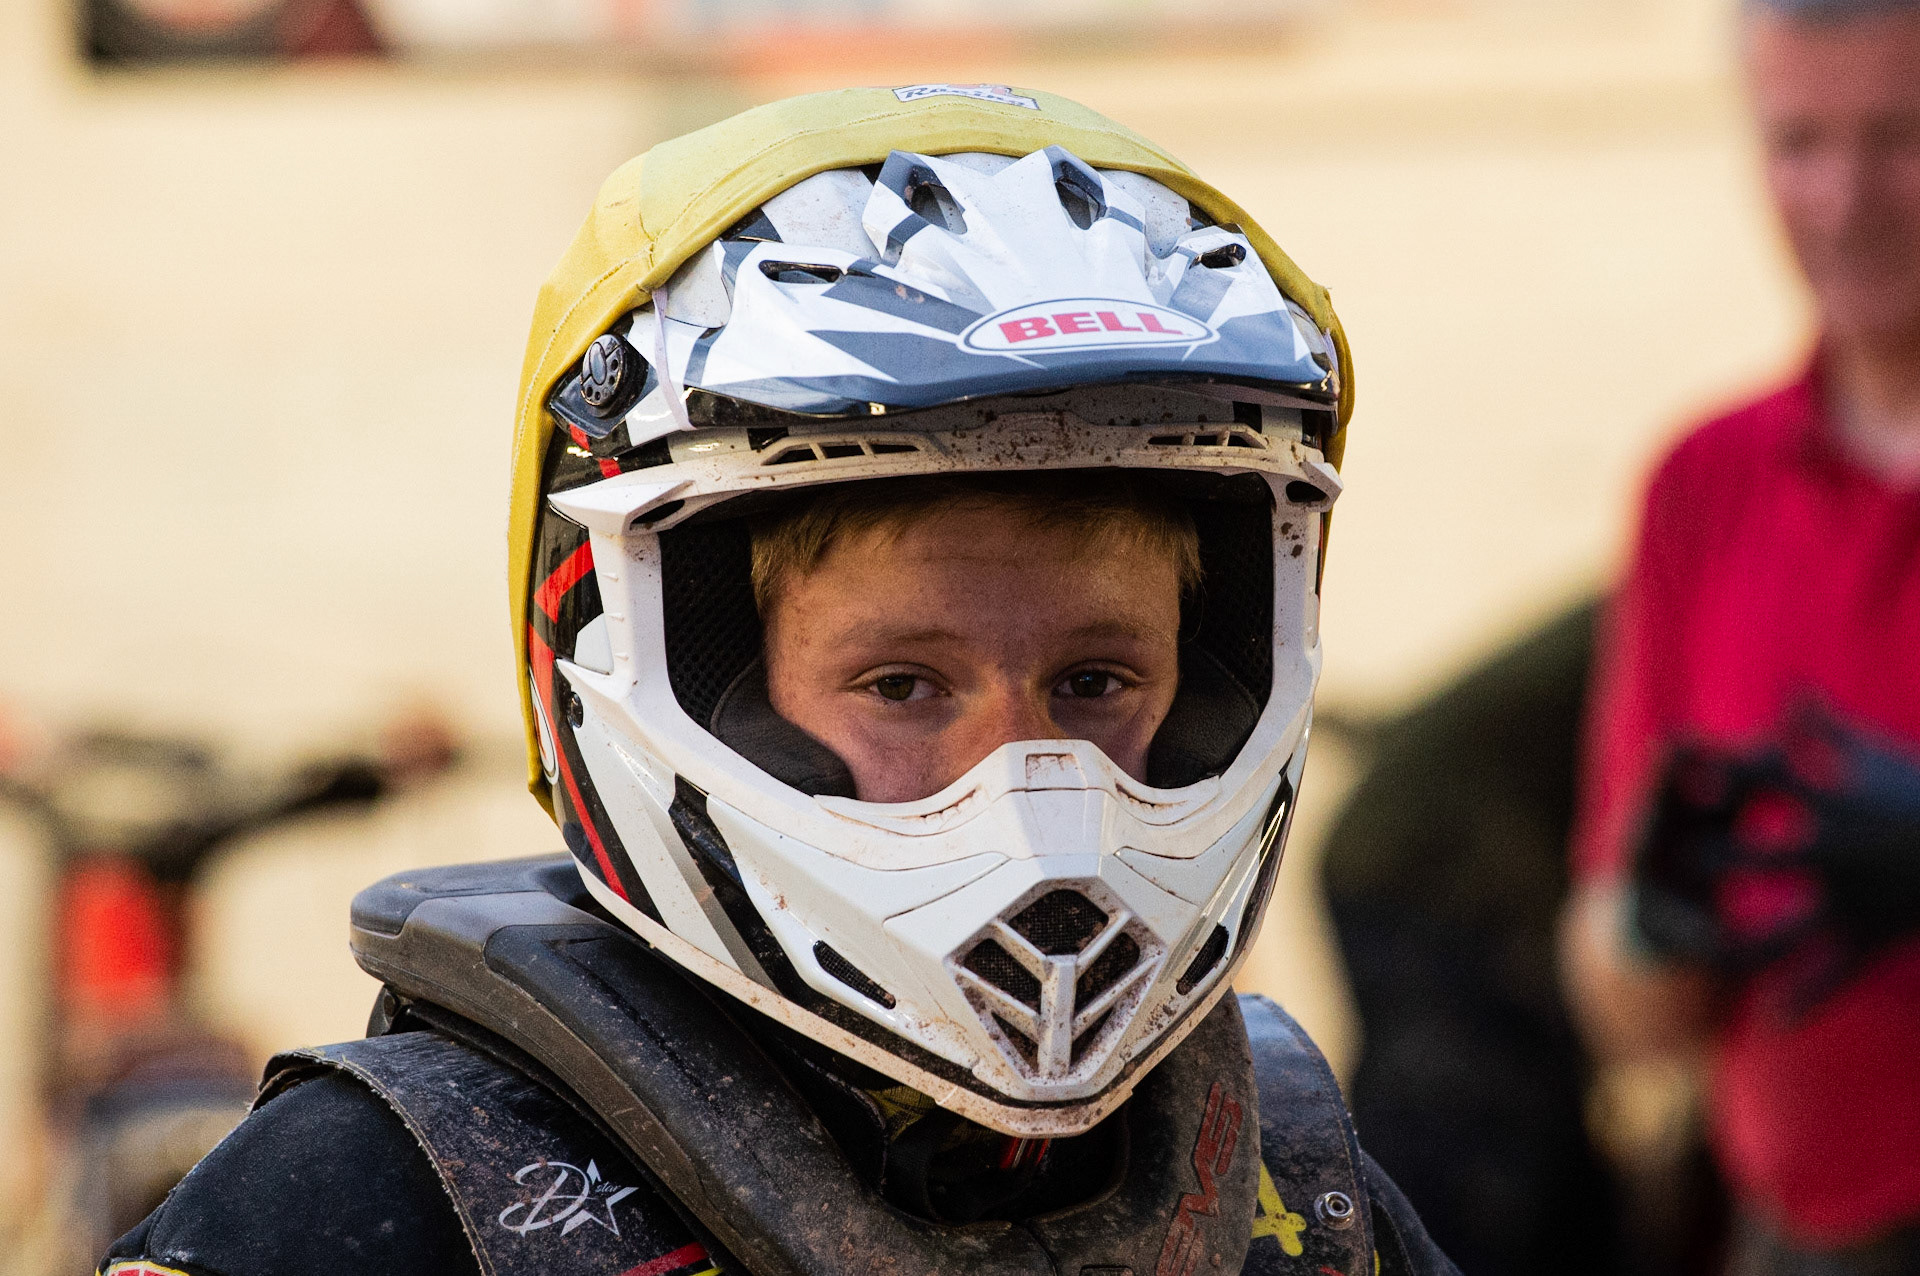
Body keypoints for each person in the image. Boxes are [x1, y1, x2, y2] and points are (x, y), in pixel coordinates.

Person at [100, 86, 1457, 1276]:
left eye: (1099, 679)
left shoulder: (1291, 1191)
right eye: (905, 688)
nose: (1037, 794)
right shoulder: (379, 1201)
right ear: (663, 658)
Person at [1562, 1, 1920, 1271]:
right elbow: (1623, 1004)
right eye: (1800, 142)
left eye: (1901, 138)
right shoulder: (1704, 488)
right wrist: (1654, 927)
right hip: (1791, 1238)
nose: (1845, 199)